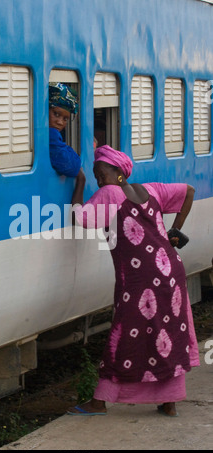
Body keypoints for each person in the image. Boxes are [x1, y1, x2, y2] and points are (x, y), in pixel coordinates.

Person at [68, 145, 200, 418]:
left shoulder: (110, 194)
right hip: (171, 271)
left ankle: (100, 401)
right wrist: (177, 229)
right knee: (167, 335)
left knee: (123, 336)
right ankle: (169, 401)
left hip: (140, 281)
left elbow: (78, 217)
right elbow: (188, 191)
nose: (98, 179)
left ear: (118, 172)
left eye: (101, 172)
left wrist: (79, 184)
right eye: (94, 174)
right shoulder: (150, 190)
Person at [49, 82, 81, 177]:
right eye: (56, 114)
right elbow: (71, 167)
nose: (60, 122)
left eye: (65, 119)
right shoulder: (51, 134)